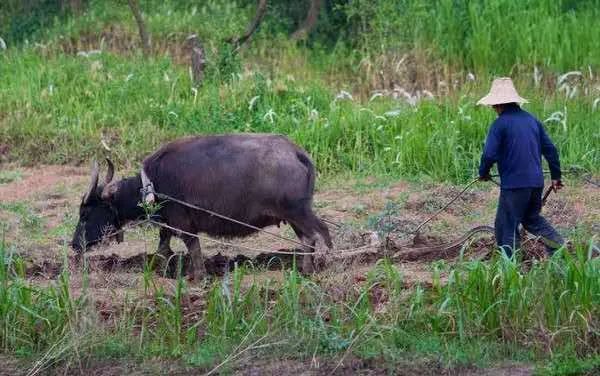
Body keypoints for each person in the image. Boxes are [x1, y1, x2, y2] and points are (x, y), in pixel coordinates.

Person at [477, 77, 564, 257]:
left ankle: (511, 271)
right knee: (531, 219)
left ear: (499, 104)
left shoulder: (499, 124)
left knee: (505, 226)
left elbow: (488, 155)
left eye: (494, 106)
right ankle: (560, 249)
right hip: (535, 183)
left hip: (515, 186)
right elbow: (551, 150)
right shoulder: (532, 121)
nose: (493, 109)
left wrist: (483, 173)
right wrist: (556, 176)